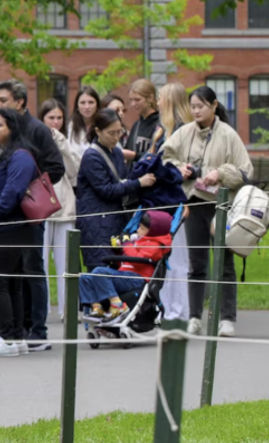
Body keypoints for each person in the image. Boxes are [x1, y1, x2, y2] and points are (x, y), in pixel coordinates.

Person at [162, 84, 252, 337]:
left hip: (221, 206)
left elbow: (245, 171)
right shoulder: (184, 132)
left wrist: (219, 173)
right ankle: (194, 317)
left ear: (214, 105)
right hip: (195, 203)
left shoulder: (228, 134)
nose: (196, 111)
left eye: (201, 106)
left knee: (224, 263)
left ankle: (227, 318)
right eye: (192, 106)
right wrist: (179, 168)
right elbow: (165, 157)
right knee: (196, 263)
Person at [0, 80, 64, 348]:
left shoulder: (36, 131)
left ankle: (36, 330)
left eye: (3, 101)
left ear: (20, 102)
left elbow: (55, 168)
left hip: (22, 215)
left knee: (30, 269)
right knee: (7, 279)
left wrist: (23, 184)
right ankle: (4, 329)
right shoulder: (0, 138)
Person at [0, 107, 43, 357]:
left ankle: (5, 336)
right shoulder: (0, 154)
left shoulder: (21, 157)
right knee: (11, 284)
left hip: (7, 229)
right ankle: (15, 337)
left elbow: (11, 196)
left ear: (12, 128)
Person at [76, 107, 160, 301]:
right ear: (98, 131)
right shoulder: (92, 156)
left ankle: (114, 311)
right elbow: (106, 190)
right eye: (111, 133)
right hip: (96, 221)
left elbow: (122, 180)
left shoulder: (116, 152)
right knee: (98, 269)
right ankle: (95, 312)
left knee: (114, 268)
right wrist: (137, 183)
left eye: (119, 132)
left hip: (114, 219)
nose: (116, 137)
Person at [80, 210, 173, 315]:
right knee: (85, 278)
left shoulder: (155, 246)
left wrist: (126, 244)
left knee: (99, 272)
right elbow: (127, 261)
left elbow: (137, 260)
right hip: (125, 275)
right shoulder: (140, 241)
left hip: (137, 278)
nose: (138, 230)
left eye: (142, 228)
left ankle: (118, 306)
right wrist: (119, 250)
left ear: (153, 232)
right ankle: (97, 307)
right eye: (139, 227)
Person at [37, 99, 80, 323]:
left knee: (66, 263)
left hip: (64, 206)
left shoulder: (65, 141)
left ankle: (68, 309)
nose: (55, 122)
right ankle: (40, 310)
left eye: (59, 118)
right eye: (50, 117)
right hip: (40, 207)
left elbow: (74, 173)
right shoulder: (34, 139)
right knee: (41, 263)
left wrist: (63, 146)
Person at [122, 78, 161, 161]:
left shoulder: (161, 124)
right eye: (131, 100)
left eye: (137, 100)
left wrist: (134, 156)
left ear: (150, 98)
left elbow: (159, 156)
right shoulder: (137, 125)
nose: (133, 104)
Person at [68, 85, 101, 155]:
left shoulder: (104, 124)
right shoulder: (71, 126)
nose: (87, 107)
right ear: (77, 106)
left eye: (91, 102)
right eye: (82, 103)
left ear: (97, 105)